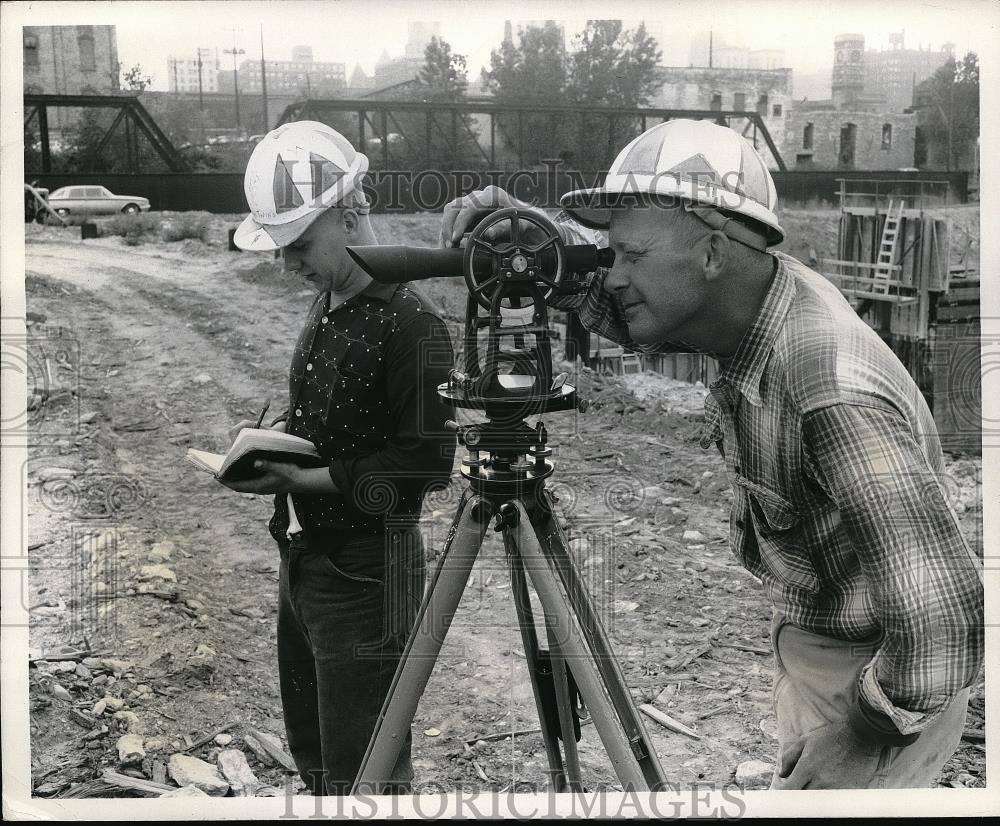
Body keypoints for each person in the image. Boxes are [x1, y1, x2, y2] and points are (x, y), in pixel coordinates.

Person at [440, 119, 984, 789]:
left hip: (884, 691)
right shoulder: (752, 306)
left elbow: (944, 625)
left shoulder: (826, 387)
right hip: (831, 649)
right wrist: (534, 236)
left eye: (630, 255)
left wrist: (860, 735)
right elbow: (627, 309)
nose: (613, 276)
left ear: (712, 255)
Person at [225, 121, 457, 795]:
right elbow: (330, 421)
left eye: (297, 244)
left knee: (367, 763)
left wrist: (309, 479)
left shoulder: (414, 326)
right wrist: (270, 454)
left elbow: (421, 466)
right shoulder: (328, 303)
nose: (285, 263)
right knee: (317, 746)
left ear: (352, 212)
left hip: (366, 574)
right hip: (305, 558)